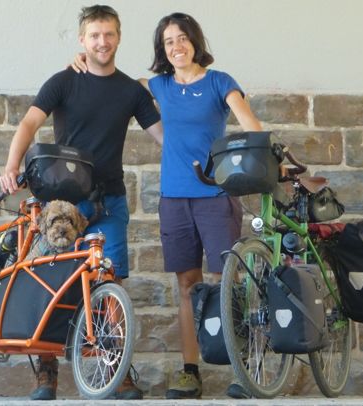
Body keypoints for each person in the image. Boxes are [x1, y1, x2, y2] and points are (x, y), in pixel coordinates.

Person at [72, 12, 264, 400]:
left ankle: (244, 369)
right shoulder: (156, 85)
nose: (176, 46)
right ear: (162, 49)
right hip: (174, 199)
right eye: (168, 41)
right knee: (186, 285)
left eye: (182, 38)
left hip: (215, 196)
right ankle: (189, 371)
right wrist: (79, 63)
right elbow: (113, 81)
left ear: (195, 41)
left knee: (229, 281)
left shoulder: (220, 82)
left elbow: (252, 128)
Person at [0, 4, 163, 401]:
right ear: (82, 39)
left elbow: (163, 136)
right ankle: (47, 374)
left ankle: (116, 373)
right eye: (94, 35)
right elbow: (29, 123)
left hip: (108, 203)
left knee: (111, 283)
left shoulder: (130, 91)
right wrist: (11, 164)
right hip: (60, 205)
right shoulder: (63, 81)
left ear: (119, 37)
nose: (102, 42)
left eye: (108, 35)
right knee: (48, 282)